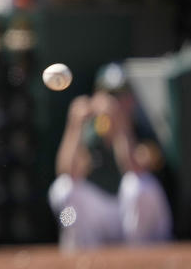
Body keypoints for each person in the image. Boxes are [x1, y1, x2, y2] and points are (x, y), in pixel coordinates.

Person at [48, 62, 173, 250]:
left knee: (137, 185)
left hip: (134, 222)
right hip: (103, 216)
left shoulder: (145, 128)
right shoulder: (90, 134)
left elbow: (133, 166)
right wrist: (74, 126)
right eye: (110, 95)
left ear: (131, 99)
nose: (116, 102)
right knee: (63, 190)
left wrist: (121, 126)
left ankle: (144, 256)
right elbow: (67, 171)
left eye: (122, 95)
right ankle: (77, 253)